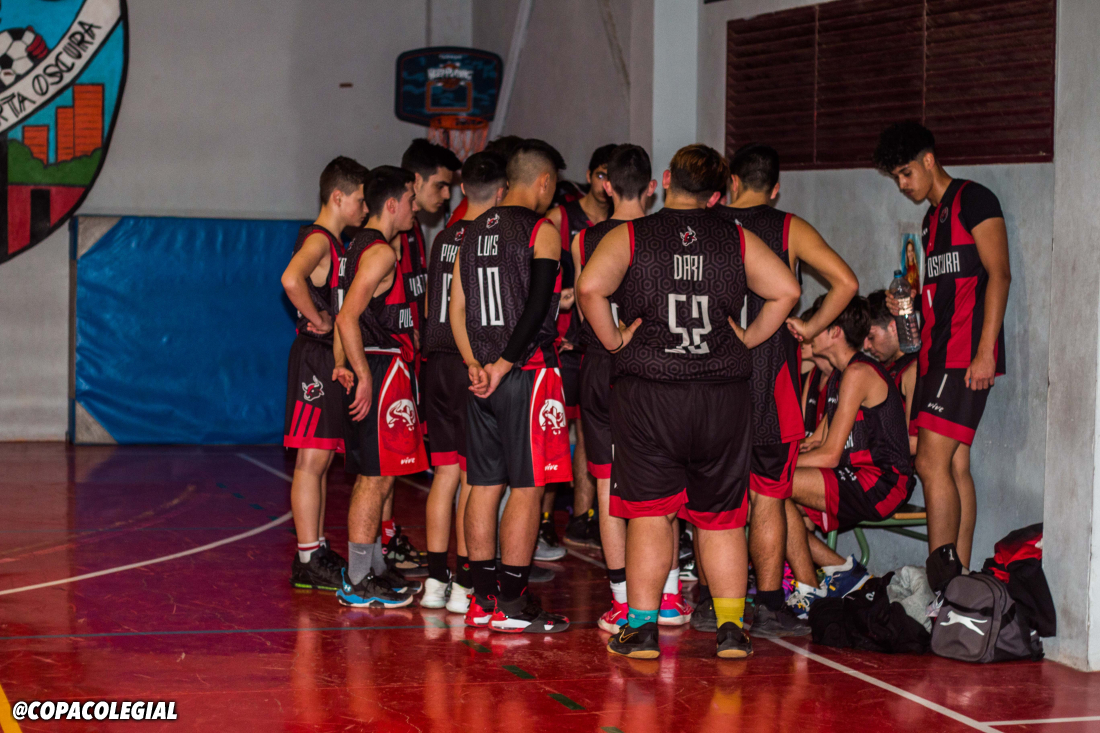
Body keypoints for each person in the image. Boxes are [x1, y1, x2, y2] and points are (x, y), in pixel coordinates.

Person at [578, 143, 801, 659]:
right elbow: (787, 290)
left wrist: (614, 340)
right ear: (718, 195)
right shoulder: (736, 237)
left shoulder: (632, 235)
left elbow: (590, 288)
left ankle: (642, 630)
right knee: (722, 518)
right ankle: (731, 630)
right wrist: (749, 337)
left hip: (651, 395)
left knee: (651, 515)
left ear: (665, 180)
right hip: (721, 395)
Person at [707, 143, 858, 637]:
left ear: (731, 182)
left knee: (714, 498)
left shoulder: (708, 224)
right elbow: (846, 282)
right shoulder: (788, 227)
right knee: (768, 497)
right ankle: (770, 605)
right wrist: (809, 327)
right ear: (774, 189)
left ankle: (714, 603)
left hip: (711, 382)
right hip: (770, 383)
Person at [873, 121, 1011, 572]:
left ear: (929, 160)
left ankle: (941, 579)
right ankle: (960, 581)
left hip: (965, 355)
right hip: (937, 354)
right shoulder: (931, 220)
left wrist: (986, 351)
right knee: (954, 466)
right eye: (896, 177)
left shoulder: (974, 199)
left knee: (930, 464)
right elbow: (947, 291)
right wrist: (906, 304)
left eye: (906, 173)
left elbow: (999, 274)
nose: (902, 184)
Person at [449, 139, 573, 633]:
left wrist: (474, 363)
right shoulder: (541, 231)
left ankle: (482, 599)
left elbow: (456, 308)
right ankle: (514, 605)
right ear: (543, 181)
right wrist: (503, 364)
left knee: (482, 485)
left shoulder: (472, 230)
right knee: (527, 488)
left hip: (480, 376)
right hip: (526, 372)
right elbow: (537, 309)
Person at [570, 144, 693, 633]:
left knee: (607, 485)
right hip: (654, 365)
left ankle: (623, 601)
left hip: (603, 362)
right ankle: (667, 597)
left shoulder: (585, 240)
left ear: (604, 185)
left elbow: (586, 307)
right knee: (664, 482)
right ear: (652, 187)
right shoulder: (662, 234)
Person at [333, 166, 429, 608]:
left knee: (382, 476)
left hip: (378, 362)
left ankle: (371, 567)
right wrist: (363, 372)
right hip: (380, 365)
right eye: (411, 199)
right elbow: (346, 316)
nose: (415, 207)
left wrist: (342, 363)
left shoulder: (357, 247)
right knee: (373, 480)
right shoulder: (380, 253)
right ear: (392, 204)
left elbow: (345, 313)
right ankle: (356, 580)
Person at [785, 297, 916, 618]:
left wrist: (772, 466)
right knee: (771, 500)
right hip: (857, 476)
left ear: (835, 332)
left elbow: (830, 455)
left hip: (884, 482)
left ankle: (812, 588)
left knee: (772, 484)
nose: (809, 332)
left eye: (818, 324)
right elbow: (816, 443)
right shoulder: (841, 375)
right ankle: (839, 572)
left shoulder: (858, 372)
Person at [419, 151, 507, 612]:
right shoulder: (486, 240)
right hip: (466, 361)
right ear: (501, 192)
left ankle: (436, 581)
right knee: (476, 476)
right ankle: (466, 584)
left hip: (434, 362)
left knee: (444, 474)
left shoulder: (442, 238)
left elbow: (432, 302)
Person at [281, 156, 369, 591]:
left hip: (323, 358)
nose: (365, 209)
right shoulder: (319, 239)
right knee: (311, 460)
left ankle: (313, 549)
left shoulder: (332, 242)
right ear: (338, 197)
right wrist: (318, 318)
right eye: (360, 200)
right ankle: (307, 557)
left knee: (321, 460)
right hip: (313, 359)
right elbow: (290, 279)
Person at [377, 140, 463, 573]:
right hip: (386, 357)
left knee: (395, 459)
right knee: (381, 463)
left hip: (410, 355)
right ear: (415, 181)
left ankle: (387, 535)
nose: (446, 196)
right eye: (440, 186)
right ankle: (373, 549)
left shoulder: (414, 231)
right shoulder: (386, 233)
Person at [544, 144, 618, 551]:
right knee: (554, 432)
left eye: (612, 177)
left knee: (593, 435)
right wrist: (558, 299)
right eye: (601, 175)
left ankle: (583, 517)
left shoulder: (620, 222)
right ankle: (543, 520)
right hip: (563, 343)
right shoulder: (562, 217)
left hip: (600, 344)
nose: (607, 184)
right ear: (590, 176)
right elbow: (536, 274)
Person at [866, 290, 918, 455]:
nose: (866, 346)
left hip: (891, 462)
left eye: (871, 337)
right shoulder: (880, 368)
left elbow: (912, 443)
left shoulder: (912, 369)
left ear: (893, 328)